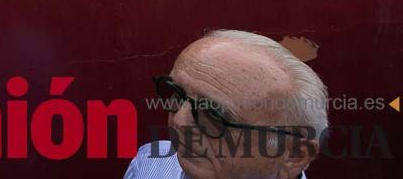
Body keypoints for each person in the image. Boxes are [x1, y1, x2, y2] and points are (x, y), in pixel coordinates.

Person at [124, 30, 326, 179]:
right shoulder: (151, 165)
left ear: (294, 154)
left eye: (213, 114)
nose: (179, 121)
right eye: (176, 93)